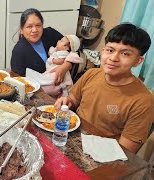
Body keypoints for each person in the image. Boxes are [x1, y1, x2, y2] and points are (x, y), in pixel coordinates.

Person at [54, 23, 154, 153]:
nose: (113, 58)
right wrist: (66, 101)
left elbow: (127, 151)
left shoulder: (143, 101)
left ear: (137, 61)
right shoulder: (91, 74)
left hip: (103, 155)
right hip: (71, 140)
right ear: (103, 51)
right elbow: (73, 100)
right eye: (110, 50)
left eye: (125, 53)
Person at [10, 8, 72, 85]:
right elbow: (18, 81)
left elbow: (75, 49)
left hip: (64, 86)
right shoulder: (18, 51)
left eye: (38, 25)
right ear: (22, 30)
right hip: (38, 92)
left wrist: (67, 65)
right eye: (29, 26)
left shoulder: (50, 34)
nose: (34, 30)